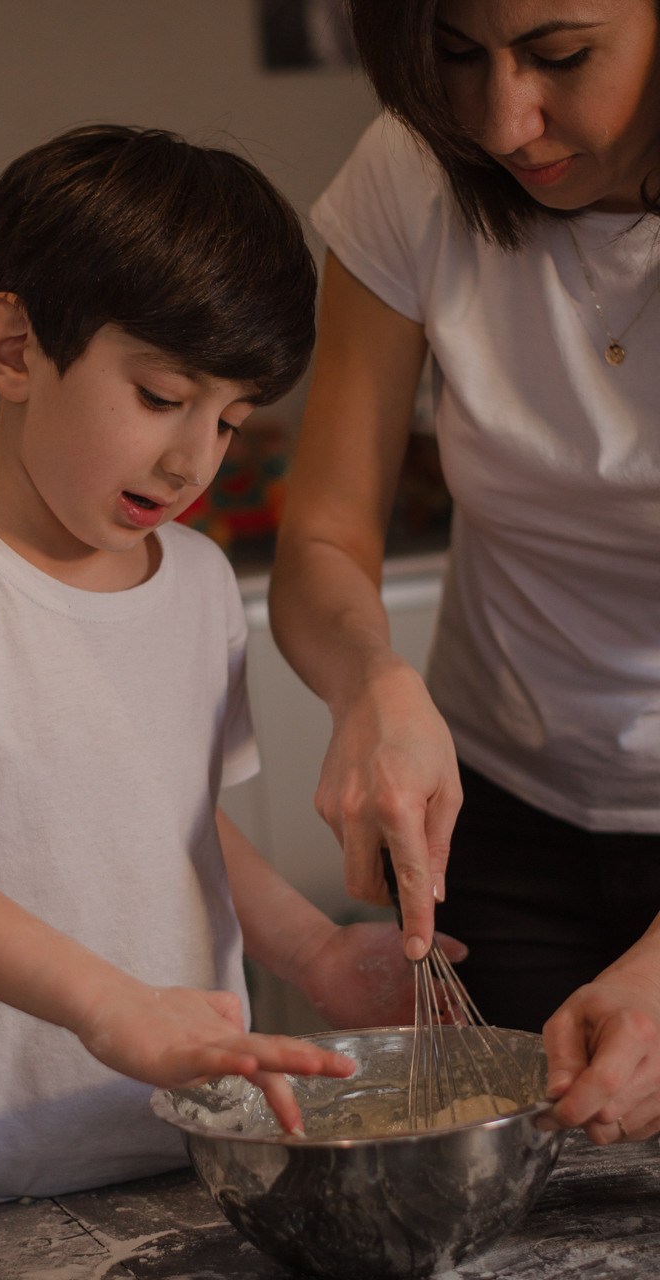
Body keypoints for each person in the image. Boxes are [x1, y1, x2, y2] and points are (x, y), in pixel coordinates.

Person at [0, 123, 460, 1231]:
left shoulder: (198, 580)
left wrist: (310, 947)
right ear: (14, 349)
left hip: (180, 1157)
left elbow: (173, 817)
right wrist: (103, 1001)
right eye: (160, 397)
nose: (190, 458)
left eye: (229, 420)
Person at [269, 0, 660, 1147]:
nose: (501, 119)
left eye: (558, 54)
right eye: (452, 56)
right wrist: (372, 685)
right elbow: (323, 541)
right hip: (495, 823)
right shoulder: (410, 175)